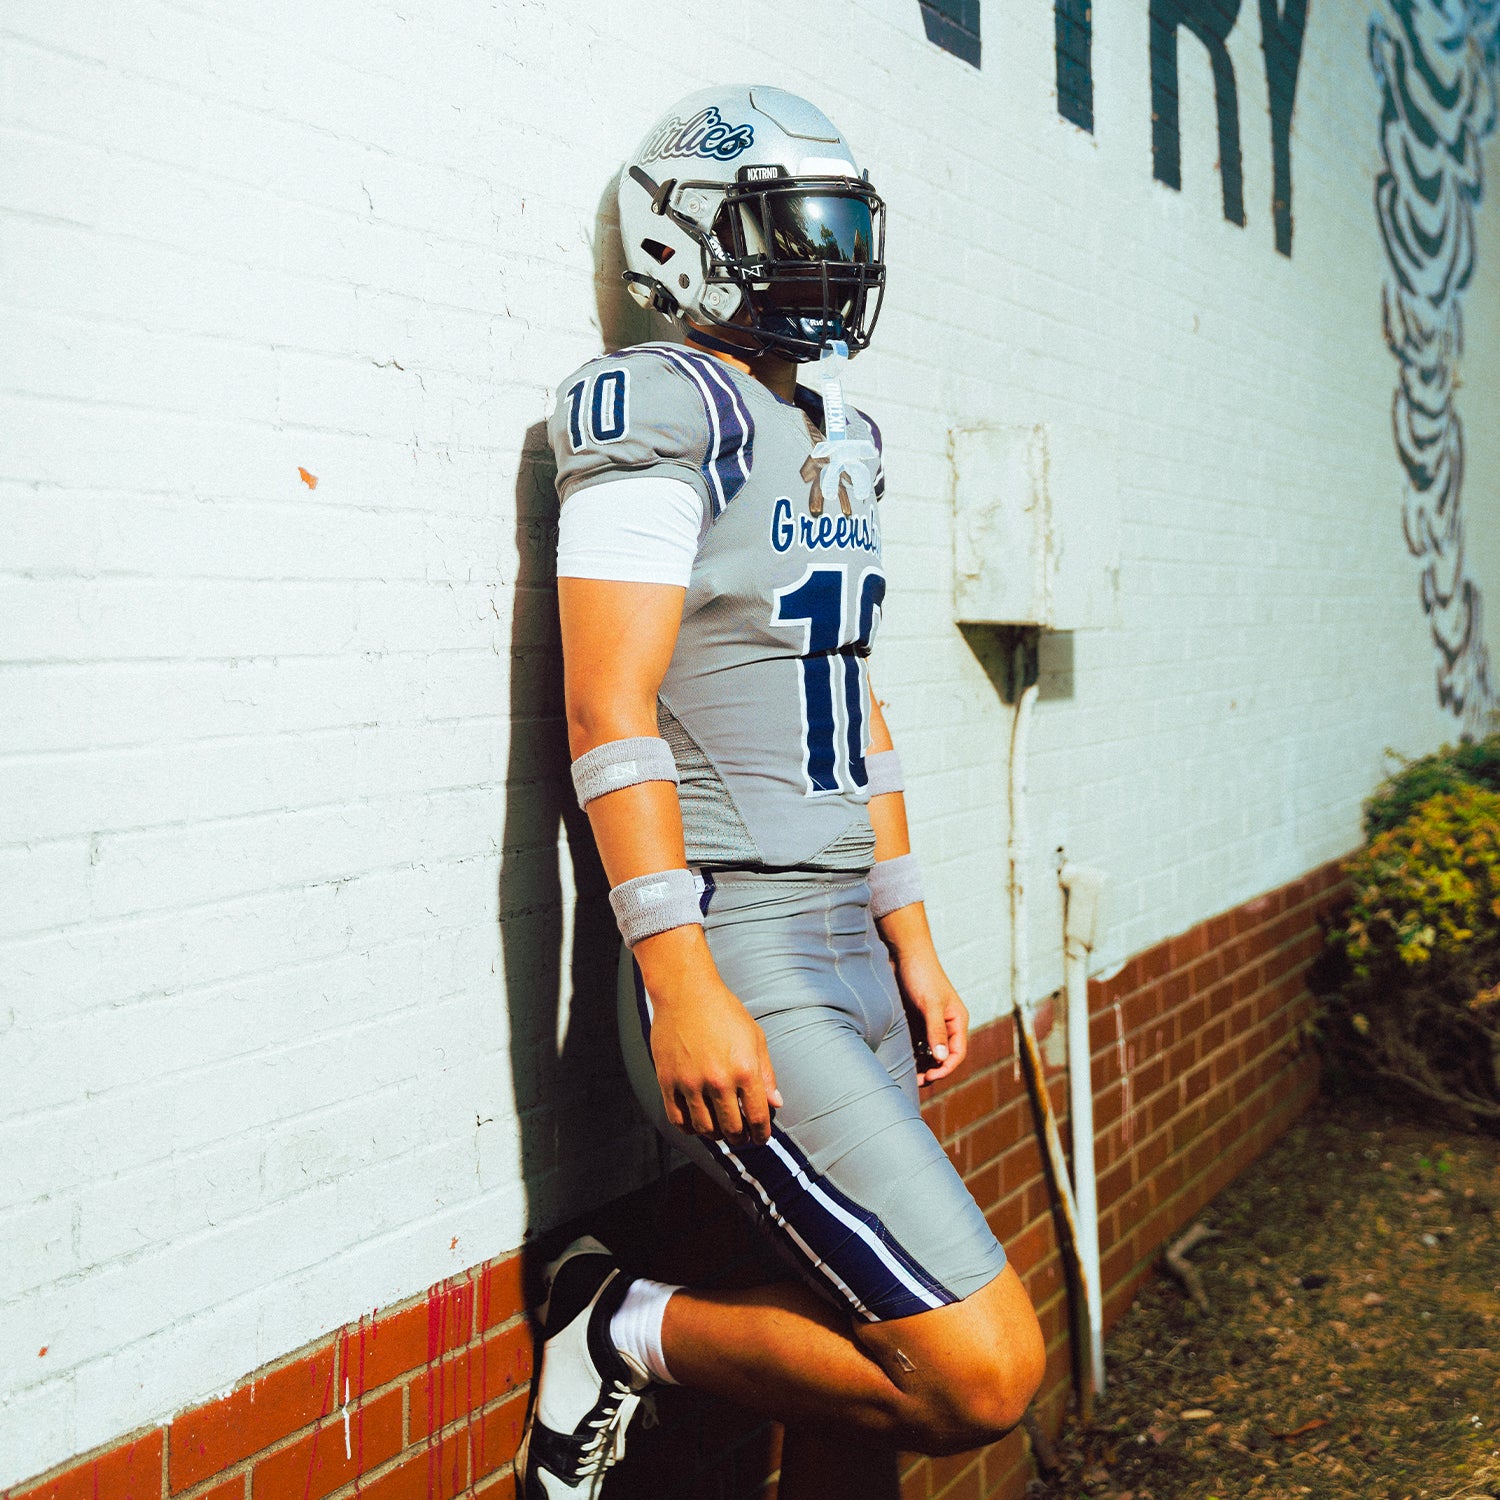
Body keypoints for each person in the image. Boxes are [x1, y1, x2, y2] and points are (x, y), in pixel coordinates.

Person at [517, 85, 1045, 1500]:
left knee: (857, 1372)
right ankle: (615, 1325)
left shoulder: (840, 433)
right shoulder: (658, 401)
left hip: (847, 942)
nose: (823, 259)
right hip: (737, 939)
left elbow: (851, 700)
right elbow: (606, 708)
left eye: (836, 229)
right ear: (682, 240)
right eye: (786, 228)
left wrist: (911, 929)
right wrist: (678, 970)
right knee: (977, 1373)